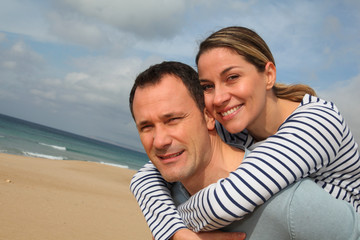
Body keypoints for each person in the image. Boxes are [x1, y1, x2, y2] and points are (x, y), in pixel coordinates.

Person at [131, 26, 360, 240]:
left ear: (268, 74)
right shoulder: (233, 126)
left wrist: (177, 227)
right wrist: (171, 230)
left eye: (232, 77)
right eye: (208, 86)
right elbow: (146, 177)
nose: (219, 98)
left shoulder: (318, 122)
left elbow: (227, 201)